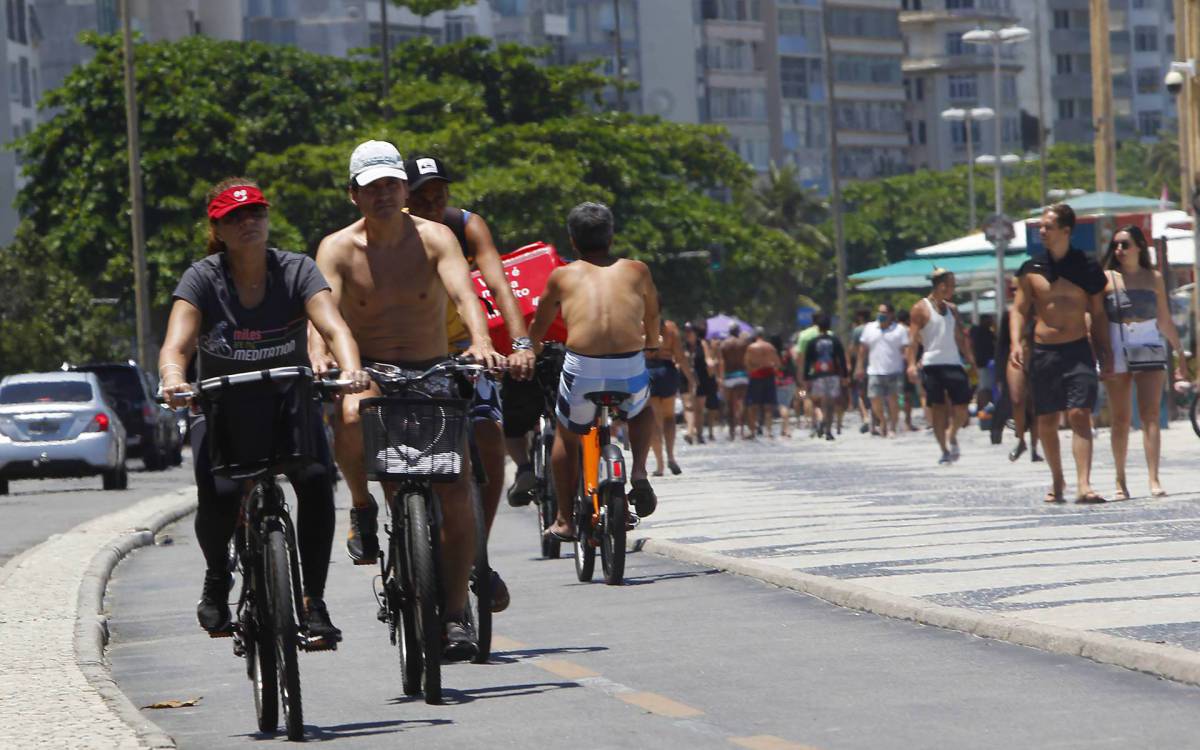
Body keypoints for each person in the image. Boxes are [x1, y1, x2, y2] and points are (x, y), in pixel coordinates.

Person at [310, 140, 505, 660]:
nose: (384, 195)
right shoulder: (336, 248)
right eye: (372, 188)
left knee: (457, 489)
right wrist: (321, 357)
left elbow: (466, 295)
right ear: (353, 195)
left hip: (434, 369)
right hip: (369, 371)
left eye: (391, 185)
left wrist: (483, 344)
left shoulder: (437, 238)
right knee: (349, 411)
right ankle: (360, 506)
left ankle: (457, 609)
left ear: (404, 189)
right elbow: (321, 312)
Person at [159, 177, 370, 642]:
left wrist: (351, 369)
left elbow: (334, 327)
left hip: (286, 401)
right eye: (235, 217)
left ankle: (314, 602)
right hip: (221, 404)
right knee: (218, 493)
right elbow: (176, 345)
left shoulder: (296, 270)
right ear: (217, 228)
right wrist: (174, 379)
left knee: (316, 482)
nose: (248, 222)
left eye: (256, 212)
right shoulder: (201, 278)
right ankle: (218, 577)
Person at [403, 154, 534, 612]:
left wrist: (519, 343)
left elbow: (498, 285)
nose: (434, 205)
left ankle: (477, 553)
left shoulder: (465, 226)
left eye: (440, 196)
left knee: (489, 437)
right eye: (423, 198)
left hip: (461, 350)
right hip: (401, 354)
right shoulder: (386, 231)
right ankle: (395, 533)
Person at [529, 202, 660, 540]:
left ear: (572, 241)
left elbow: (541, 321)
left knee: (566, 434)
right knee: (642, 409)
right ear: (611, 235)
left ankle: (564, 519)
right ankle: (640, 473)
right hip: (628, 363)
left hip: (582, 366)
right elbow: (652, 314)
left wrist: (532, 347)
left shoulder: (561, 275)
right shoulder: (637, 270)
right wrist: (653, 341)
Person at [1011, 203, 1112, 503]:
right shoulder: (1031, 269)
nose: (1041, 231)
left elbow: (1098, 313)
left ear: (1066, 231)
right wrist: (1016, 343)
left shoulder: (1087, 268)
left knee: (1080, 414)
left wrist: (1105, 350)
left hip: (1078, 349)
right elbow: (1018, 310)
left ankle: (1084, 484)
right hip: (1044, 352)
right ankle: (1057, 478)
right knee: (1046, 420)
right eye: (1040, 226)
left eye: (1048, 226)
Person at [1100, 225, 1187, 499]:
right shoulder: (1107, 278)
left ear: (1139, 246)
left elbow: (1164, 317)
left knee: (1150, 413)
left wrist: (1179, 352)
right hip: (1118, 341)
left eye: (1125, 245)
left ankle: (1153, 477)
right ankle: (1120, 479)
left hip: (1148, 340)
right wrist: (1100, 351)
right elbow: (1096, 317)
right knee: (1121, 417)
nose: (1120, 250)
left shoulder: (1154, 278)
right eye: (1116, 245)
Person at [907, 269, 976, 464]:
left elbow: (960, 336)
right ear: (941, 285)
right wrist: (911, 364)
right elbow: (912, 339)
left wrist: (970, 359)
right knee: (938, 408)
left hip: (953, 362)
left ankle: (952, 434)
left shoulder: (952, 309)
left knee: (962, 405)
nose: (953, 289)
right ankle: (944, 449)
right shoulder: (920, 308)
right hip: (932, 364)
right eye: (952, 284)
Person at [996, 302, 1041, 462]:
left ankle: (1034, 447)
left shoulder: (1040, 306)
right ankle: (1021, 439)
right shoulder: (1010, 312)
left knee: (1035, 406)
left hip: (1037, 358)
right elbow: (1001, 345)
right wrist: (1000, 375)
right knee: (1017, 401)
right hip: (1016, 359)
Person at [855, 302, 909, 437]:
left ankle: (892, 427)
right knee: (874, 399)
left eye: (884, 313)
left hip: (894, 371)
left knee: (893, 401)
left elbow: (905, 349)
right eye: (879, 312)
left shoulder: (900, 330)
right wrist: (859, 366)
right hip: (874, 371)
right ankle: (883, 421)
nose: (880, 315)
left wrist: (910, 363)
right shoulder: (869, 328)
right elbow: (862, 349)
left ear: (891, 314)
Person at [646, 319, 692, 474]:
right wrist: (691, 378)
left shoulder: (641, 324)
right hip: (667, 371)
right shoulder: (671, 327)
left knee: (653, 420)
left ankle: (660, 465)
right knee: (669, 417)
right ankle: (671, 457)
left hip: (648, 370)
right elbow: (680, 356)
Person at [801, 313, 848, 440]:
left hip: (817, 375)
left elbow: (807, 362)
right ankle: (828, 430)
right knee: (831, 403)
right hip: (833, 374)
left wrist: (805, 378)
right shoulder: (835, 340)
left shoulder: (812, 342)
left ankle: (821, 418)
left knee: (816, 401)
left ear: (817, 326)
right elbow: (842, 359)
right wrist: (845, 376)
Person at [744, 328, 781, 438]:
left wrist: (755, 368)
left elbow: (747, 364)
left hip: (756, 377)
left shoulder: (751, 347)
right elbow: (778, 364)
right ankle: (769, 432)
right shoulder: (770, 347)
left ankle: (752, 431)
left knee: (752, 406)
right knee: (768, 406)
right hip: (769, 376)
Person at [717, 324, 751, 440]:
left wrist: (721, 378)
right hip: (742, 375)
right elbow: (747, 360)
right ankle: (742, 430)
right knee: (742, 403)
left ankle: (731, 433)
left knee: (730, 405)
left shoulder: (724, 344)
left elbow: (721, 362)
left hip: (729, 376)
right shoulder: (743, 343)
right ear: (738, 331)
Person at [849, 309, 873, 433]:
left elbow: (852, 349)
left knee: (860, 394)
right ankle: (876, 418)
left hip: (862, 365)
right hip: (875, 364)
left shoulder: (857, 330)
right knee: (874, 393)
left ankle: (865, 417)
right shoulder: (875, 328)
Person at [969, 314, 996, 413]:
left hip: (983, 363)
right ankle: (985, 408)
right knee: (985, 387)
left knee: (982, 386)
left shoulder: (980, 331)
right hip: (983, 363)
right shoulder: (981, 331)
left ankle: (981, 407)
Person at [774, 337, 799, 438]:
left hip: (780, 383)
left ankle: (787, 429)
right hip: (791, 382)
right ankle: (784, 429)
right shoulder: (788, 352)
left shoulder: (774, 353)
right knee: (788, 405)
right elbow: (794, 365)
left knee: (782, 406)